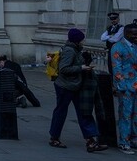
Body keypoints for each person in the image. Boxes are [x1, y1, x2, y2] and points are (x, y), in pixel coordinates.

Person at [48, 28, 108, 152]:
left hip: (76, 85)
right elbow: (64, 69)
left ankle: (91, 141)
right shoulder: (70, 51)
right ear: (76, 40)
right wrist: (81, 68)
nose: (83, 41)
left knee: (84, 112)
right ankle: (54, 137)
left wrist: (85, 63)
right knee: (61, 112)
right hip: (65, 86)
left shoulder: (76, 49)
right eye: (82, 39)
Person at [111, 23, 137, 154]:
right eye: (133, 34)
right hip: (126, 87)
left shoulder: (136, 47)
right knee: (125, 115)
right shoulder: (118, 47)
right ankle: (124, 141)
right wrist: (121, 86)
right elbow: (117, 68)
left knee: (136, 116)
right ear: (126, 33)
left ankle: (134, 139)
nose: (136, 36)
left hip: (136, 85)